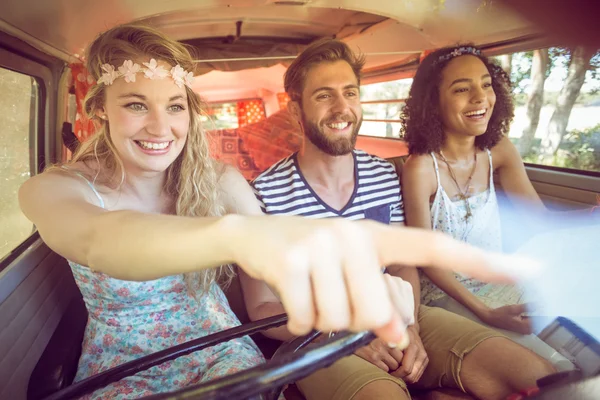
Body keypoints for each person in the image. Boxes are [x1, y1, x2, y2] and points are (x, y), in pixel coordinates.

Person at [17, 24, 529, 399]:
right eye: (135, 104)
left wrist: (388, 310)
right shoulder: (55, 190)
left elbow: (326, 261)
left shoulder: (219, 181)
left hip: (223, 351)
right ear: (101, 106)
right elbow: (99, 241)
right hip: (127, 369)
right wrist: (240, 237)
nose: (159, 126)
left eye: (174, 106)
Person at [241, 38, 556, 400]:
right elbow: (261, 309)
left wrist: (410, 324)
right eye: (324, 96)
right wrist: (344, 335)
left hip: (396, 315)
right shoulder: (261, 194)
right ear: (296, 109)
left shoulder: (384, 175)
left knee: (533, 375)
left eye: (350, 93)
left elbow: (403, 264)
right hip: (316, 338)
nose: (342, 108)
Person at [400, 44, 575, 370]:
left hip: (498, 278)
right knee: (550, 364)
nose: (480, 97)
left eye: (486, 84)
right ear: (433, 102)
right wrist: (485, 312)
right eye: (462, 89)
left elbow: (539, 220)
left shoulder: (500, 150)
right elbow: (426, 258)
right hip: (446, 294)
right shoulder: (421, 168)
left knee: (579, 338)